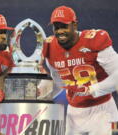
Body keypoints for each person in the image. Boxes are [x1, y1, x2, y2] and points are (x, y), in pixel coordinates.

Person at [42, 5, 118, 135]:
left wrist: (92, 89)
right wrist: (43, 93)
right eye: (56, 27)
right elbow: (60, 83)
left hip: (102, 110)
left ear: (75, 25)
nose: (60, 31)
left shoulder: (93, 40)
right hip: (74, 113)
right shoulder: (50, 47)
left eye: (64, 26)